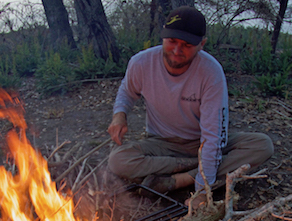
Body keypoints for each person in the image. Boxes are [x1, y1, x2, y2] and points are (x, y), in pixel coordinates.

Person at [107, 6, 274, 208]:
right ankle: (198, 166)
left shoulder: (211, 72)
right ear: (163, 36)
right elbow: (127, 91)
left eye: (187, 45)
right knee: (118, 160)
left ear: (201, 44)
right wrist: (120, 115)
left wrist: (203, 190)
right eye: (172, 41)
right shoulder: (141, 63)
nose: (177, 50)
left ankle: (181, 179)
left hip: (200, 142)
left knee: (262, 145)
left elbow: (213, 136)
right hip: (162, 144)